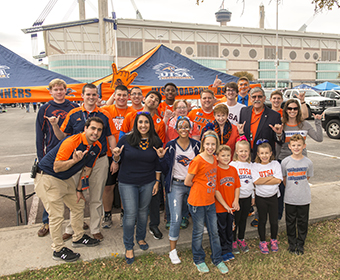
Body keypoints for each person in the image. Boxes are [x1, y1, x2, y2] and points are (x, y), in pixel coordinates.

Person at [48, 83, 117, 241]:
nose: (91, 97)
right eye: (88, 94)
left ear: (98, 97)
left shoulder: (105, 114)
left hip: (99, 160)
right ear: (82, 96)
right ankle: (72, 227)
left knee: (96, 196)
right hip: (76, 161)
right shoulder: (73, 114)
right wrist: (54, 125)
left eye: (94, 95)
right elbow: (62, 137)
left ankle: (94, 228)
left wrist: (114, 158)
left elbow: (111, 136)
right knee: (75, 196)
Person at [34, 117, 104, 262]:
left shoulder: (97, 146)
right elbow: (57, 167)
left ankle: (78, 237)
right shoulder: (72, 142)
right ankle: (58, 249)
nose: (95, 132)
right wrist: (74, 161)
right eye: (93, 128)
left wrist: (79, 189)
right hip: (47, 176)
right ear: (85, 129)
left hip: (64, 179)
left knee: (78, 204)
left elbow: (87, 169)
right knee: (56, 215)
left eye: (99, 130)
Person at [112, 112, 163, 264]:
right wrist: (115, 156)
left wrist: (157, 182)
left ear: (150, 124)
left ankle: (140, 238)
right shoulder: (126, 139)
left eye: (146, 122)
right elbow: (118, 158)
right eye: (140, 122)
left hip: (148, 182)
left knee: (142, 212)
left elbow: (158, 163)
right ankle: (128, 245)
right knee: (130, 214)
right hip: (128, 182)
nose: (143, 125)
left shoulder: (156, 140)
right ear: (136, 124)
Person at [35, 78, 79, 238]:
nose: (59, 92)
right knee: (50, 192)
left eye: (62, 89)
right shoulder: (45, 109)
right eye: (56, 90)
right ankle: (46, 221)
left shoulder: (74, 107)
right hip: (51, 156)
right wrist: (41, 157)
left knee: (71, 188)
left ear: (66, 90)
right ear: (51, 91)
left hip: (69, 153)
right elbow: (40, 135)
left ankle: (75, 220)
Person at [120, 90, 166, 239]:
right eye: (151, 97)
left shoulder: (159, 122)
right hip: (132, 165)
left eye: (157, 99)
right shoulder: (131, 115)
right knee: (133, 206)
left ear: (159, 104)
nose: (153, 100)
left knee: (153, 198)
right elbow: (122, 139)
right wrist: (116, 158)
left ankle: (153, 226)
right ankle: (131, 226)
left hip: (150, 166)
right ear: (145, 99)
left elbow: (160, 146)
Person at [155, 116, 200, 264]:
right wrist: (161, 158)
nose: (184, 129)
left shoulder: (197, 145)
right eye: (180, 126)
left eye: (187, 126)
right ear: (176, 129)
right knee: (175, 218)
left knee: (198, 216)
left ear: (191, 128)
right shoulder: (171, 145)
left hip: (193, 185)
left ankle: (198, 248)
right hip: (176, 185)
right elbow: (165, 169)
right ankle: (172, 251)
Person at [184, 130, 229, 274]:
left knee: (214, 231)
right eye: (207, 144)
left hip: (210, 202)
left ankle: (217, 259)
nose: (210, 147)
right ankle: (198, 259)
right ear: (203, 144)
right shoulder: (197, 160)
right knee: (198, 232)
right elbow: (187, 181)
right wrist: (200, 188)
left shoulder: (214, 159)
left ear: (217, 145)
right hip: (197, 202)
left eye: (213, 144)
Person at [101, 85, 135, 229]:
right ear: (114, 96)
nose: (121, 98)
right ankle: (107, 215)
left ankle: (123, 213)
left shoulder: (133, 112)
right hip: (109, 154)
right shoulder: (107, 110)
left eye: (124, 95)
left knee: (124, 187)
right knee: (108, 187)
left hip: (126, 155)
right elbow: (100, 108)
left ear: (128, 97)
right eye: (118, 95)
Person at [281, 134, 313, 255]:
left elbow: (307, 177)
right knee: (290, 221)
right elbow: (284, 178)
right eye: (294, 145)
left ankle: (300, 244)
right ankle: (292, 243)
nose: (296, 147)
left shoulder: (308, 162)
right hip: (290, 198)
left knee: (302, 222)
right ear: (289, 146)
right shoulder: (285, 162)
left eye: (299, 145)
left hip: (304, 198)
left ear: (304, 146)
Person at [252, 141, 283, 254]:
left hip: (273, 197)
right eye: (262, 153)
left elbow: (278, 180)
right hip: (261, 198)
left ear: (270, 153)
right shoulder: (254, 166)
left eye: (266, 153)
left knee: (274, 221)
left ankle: (273, 239)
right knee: (262, 220)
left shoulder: (275, 164)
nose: (264, 156)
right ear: (258, 154)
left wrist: (262, 180)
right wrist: (271, 177)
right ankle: (262, 241)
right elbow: (256, 181)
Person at [239, 87, 284, 162]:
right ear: (250, 98)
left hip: (265, 158)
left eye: (259, 96)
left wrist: (279, 134)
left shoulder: (274, 115)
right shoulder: (244, 111)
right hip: (247, 157)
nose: (257, 99)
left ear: (264, 98)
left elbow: (280, 141)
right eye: (254, 97)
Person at [215, 145, 240, 262]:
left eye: (228, 155)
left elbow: (237, 187)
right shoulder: (216, 170)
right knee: (222, 230)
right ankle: (223, 250)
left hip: (231, 207)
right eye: (223, 155)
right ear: (217, 157)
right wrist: (225, 206)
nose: (226, 158)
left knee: (230, 229)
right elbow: (216, 191)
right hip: (221, 208)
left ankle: (229, 249)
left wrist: (236, 200)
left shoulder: (233, 170)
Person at [229, 138, 254, 254]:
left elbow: (253, 182)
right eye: (241, 151)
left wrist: (253, 196)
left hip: (247, 198)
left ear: (249, 152)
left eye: (246, 151)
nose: (243, 154)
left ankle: (241, 239)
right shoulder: (233, 165)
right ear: (236, 152)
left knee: (243, 219)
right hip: (236, 199)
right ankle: (233, 240)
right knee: (235, 221)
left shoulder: (251, 165)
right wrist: (234, 200)